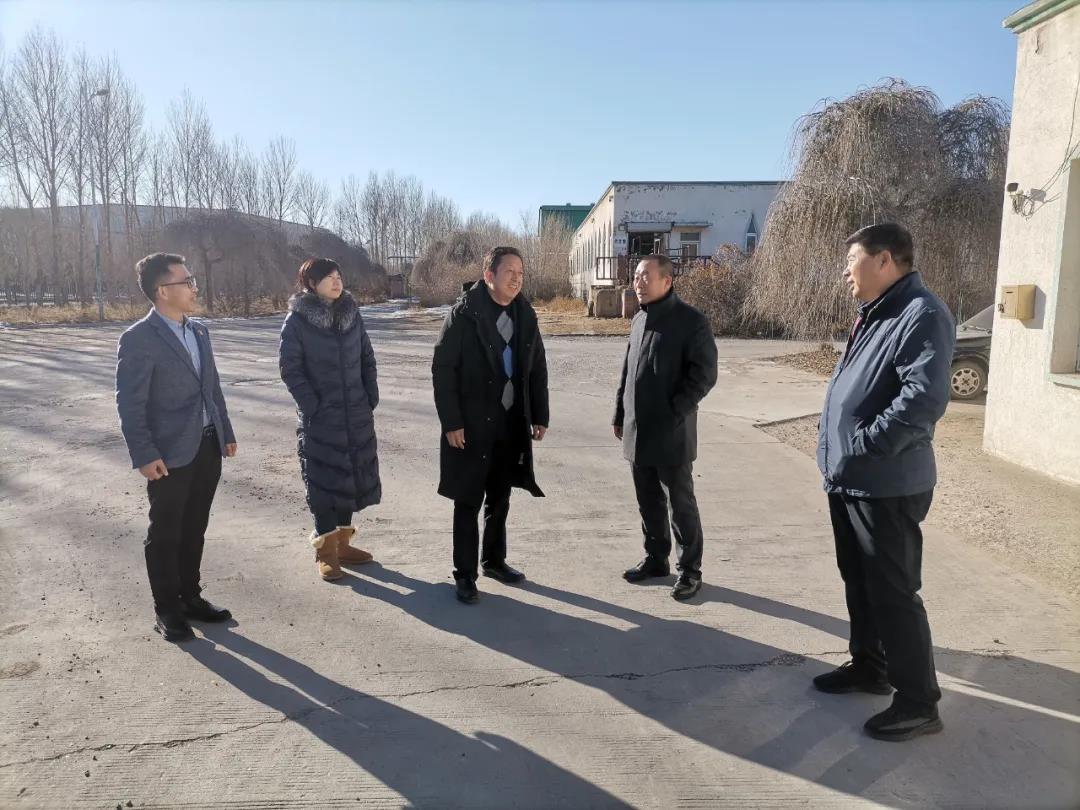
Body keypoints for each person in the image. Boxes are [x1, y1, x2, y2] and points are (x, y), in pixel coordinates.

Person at [814, 222, 955, 742]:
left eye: (851, 260)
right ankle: (870, 667)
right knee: (859, 580)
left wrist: (866, 444)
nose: (845, 272)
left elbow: (923, 398)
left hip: (886, 482)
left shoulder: (921, 314)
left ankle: (919, 703)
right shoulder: (876, 313)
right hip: (853, 479)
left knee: (894, 592)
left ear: (884, 260)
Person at [116, 252, 238, 642]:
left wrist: (225, 431)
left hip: (207, 445)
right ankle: (167, 609)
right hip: (167, 454)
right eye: (187, 282)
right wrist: (144, 453)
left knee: (195, 526)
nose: (194, 288)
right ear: (162, 291)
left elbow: (212, 388)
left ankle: (190, 597)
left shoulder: (199, 332)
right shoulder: (138, 339)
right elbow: (130, 404)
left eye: (192, 280)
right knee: (166, 532)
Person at [432, 246, 549, 604]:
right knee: (468, 499)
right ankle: (465, 574)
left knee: (500, 496)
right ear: (489, 275)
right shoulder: (464, 314)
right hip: (470, 425)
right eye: (509, 271)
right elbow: (443, 369)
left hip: (510, 423)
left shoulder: (525, 314)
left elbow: (537, 366)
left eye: (521, 273)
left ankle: (494, 561)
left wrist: (540, 414)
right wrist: (452, 421)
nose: (516, 278)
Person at [614, 254, 718, 601]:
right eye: (636, 276)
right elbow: (628, 371)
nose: (638, 283)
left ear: (667, 281)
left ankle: (690, 570)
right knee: (648, 500)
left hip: (672, 430)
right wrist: (620, 413)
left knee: (680, 503)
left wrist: (676, 410)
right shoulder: (639, 319)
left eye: (646, 276)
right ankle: (656, 559)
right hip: (637, 427)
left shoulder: (691, 321)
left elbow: (704, 374)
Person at [279, 258, 381, 581]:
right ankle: (325, 551)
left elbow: (366, 356)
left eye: (339, 276)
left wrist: (370, 395)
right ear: (311, 283)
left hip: (356, 413)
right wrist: (313, 406)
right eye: (329, 277)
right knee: (323, 482)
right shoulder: (297, 321)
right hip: (321, 418)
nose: (337, 282)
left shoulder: (351, 313)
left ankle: (343, 545)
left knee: (350, 477)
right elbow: (290, 369)